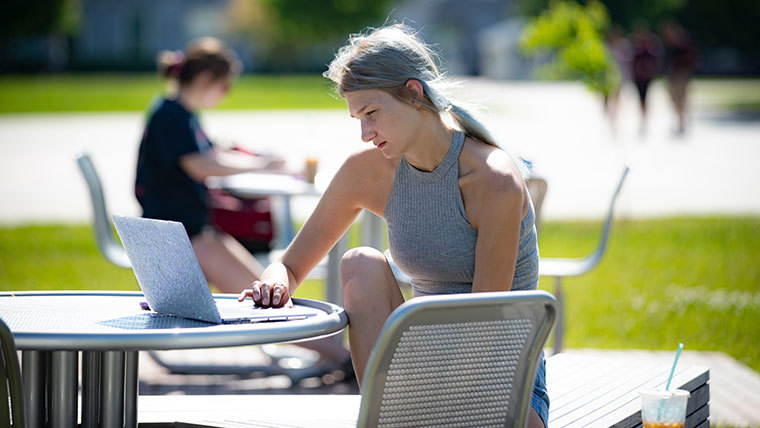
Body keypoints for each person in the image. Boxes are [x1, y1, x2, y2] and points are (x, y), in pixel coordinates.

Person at [238, 24, 549, 427]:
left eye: (372, 114)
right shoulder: (366, 172)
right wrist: (274, 282)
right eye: (357, 119)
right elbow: (292, 266)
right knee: (360, 263)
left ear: (414, 93)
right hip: (422, 373)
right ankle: (380, 420)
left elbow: (483, 331)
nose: (366, 134)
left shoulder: (493, 180)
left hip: (503, 380)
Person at [135, 37, 281, 294]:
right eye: (225, 87)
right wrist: (261, 165)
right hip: (179, 236)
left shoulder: (181, 113)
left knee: (265, 291)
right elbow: (201, 165)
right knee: (264, 297)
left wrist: (249, 158)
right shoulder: (171, 116)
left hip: (190, 230)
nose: (225, 94)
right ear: (205, 79)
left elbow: (207, 154)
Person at [660, 20, 699, 135]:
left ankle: (682, 121)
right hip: (672, 75)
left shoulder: (682, 42)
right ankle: (681, 118)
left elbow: (690, 57)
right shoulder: (668, 44)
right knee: (674, 99)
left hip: (682, 73)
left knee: (681, 97)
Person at [630, 21, 662, 134]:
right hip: (638, 78)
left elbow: (654, 62)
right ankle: (643, 119)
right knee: (641, 99)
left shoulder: (649, 48)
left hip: (647, 77)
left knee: (645, 98)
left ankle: (645, 119)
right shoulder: (635, 48)